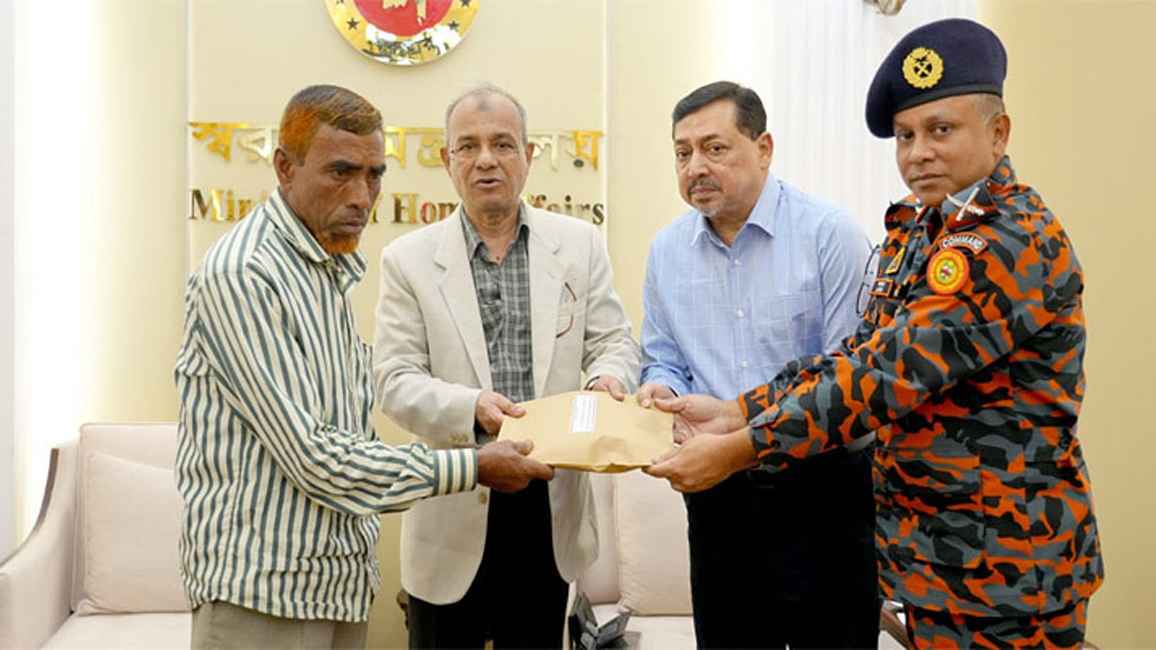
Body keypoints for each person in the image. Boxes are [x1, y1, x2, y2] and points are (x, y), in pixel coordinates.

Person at [646, 19, 1103, 649]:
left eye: (941, 130)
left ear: (998, 132)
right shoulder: (920, 229)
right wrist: (736, 410)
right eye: (906, 135)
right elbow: (857, 354)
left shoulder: (1007, 239)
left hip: (1010, 569)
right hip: (934, 561)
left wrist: (741, 443)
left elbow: (882, 378)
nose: (918, 153)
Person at [174, 84, 554, 650]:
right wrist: (472, 466)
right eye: (341, 172)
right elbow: (314, 457)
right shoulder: (244, 275)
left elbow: (350, 427)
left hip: (333, 586)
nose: (362, 196)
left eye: (375, 175)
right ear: (284, 168)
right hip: (260, 596)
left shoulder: (323, 270)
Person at [372, 84, 640, 649]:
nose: (486, 159)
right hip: (454, 499)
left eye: (502, 144)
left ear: (528, 155)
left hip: (550, 507)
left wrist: (607, 381)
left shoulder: (579, 245)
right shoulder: (407, 260)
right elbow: (394, 380)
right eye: (467, 146)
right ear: (446, 160)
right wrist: (472, 406)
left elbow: (613, 340)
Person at [638, 80, 877, 648]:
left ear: (763, 148)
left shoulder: (830, 235)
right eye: (682, 153)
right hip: (718, 496)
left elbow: (850, 379)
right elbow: (662, 356)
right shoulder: (666, 251)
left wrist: (741, 429)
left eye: (714, 148)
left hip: (823, 489)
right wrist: (659, 392)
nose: (696, 166)